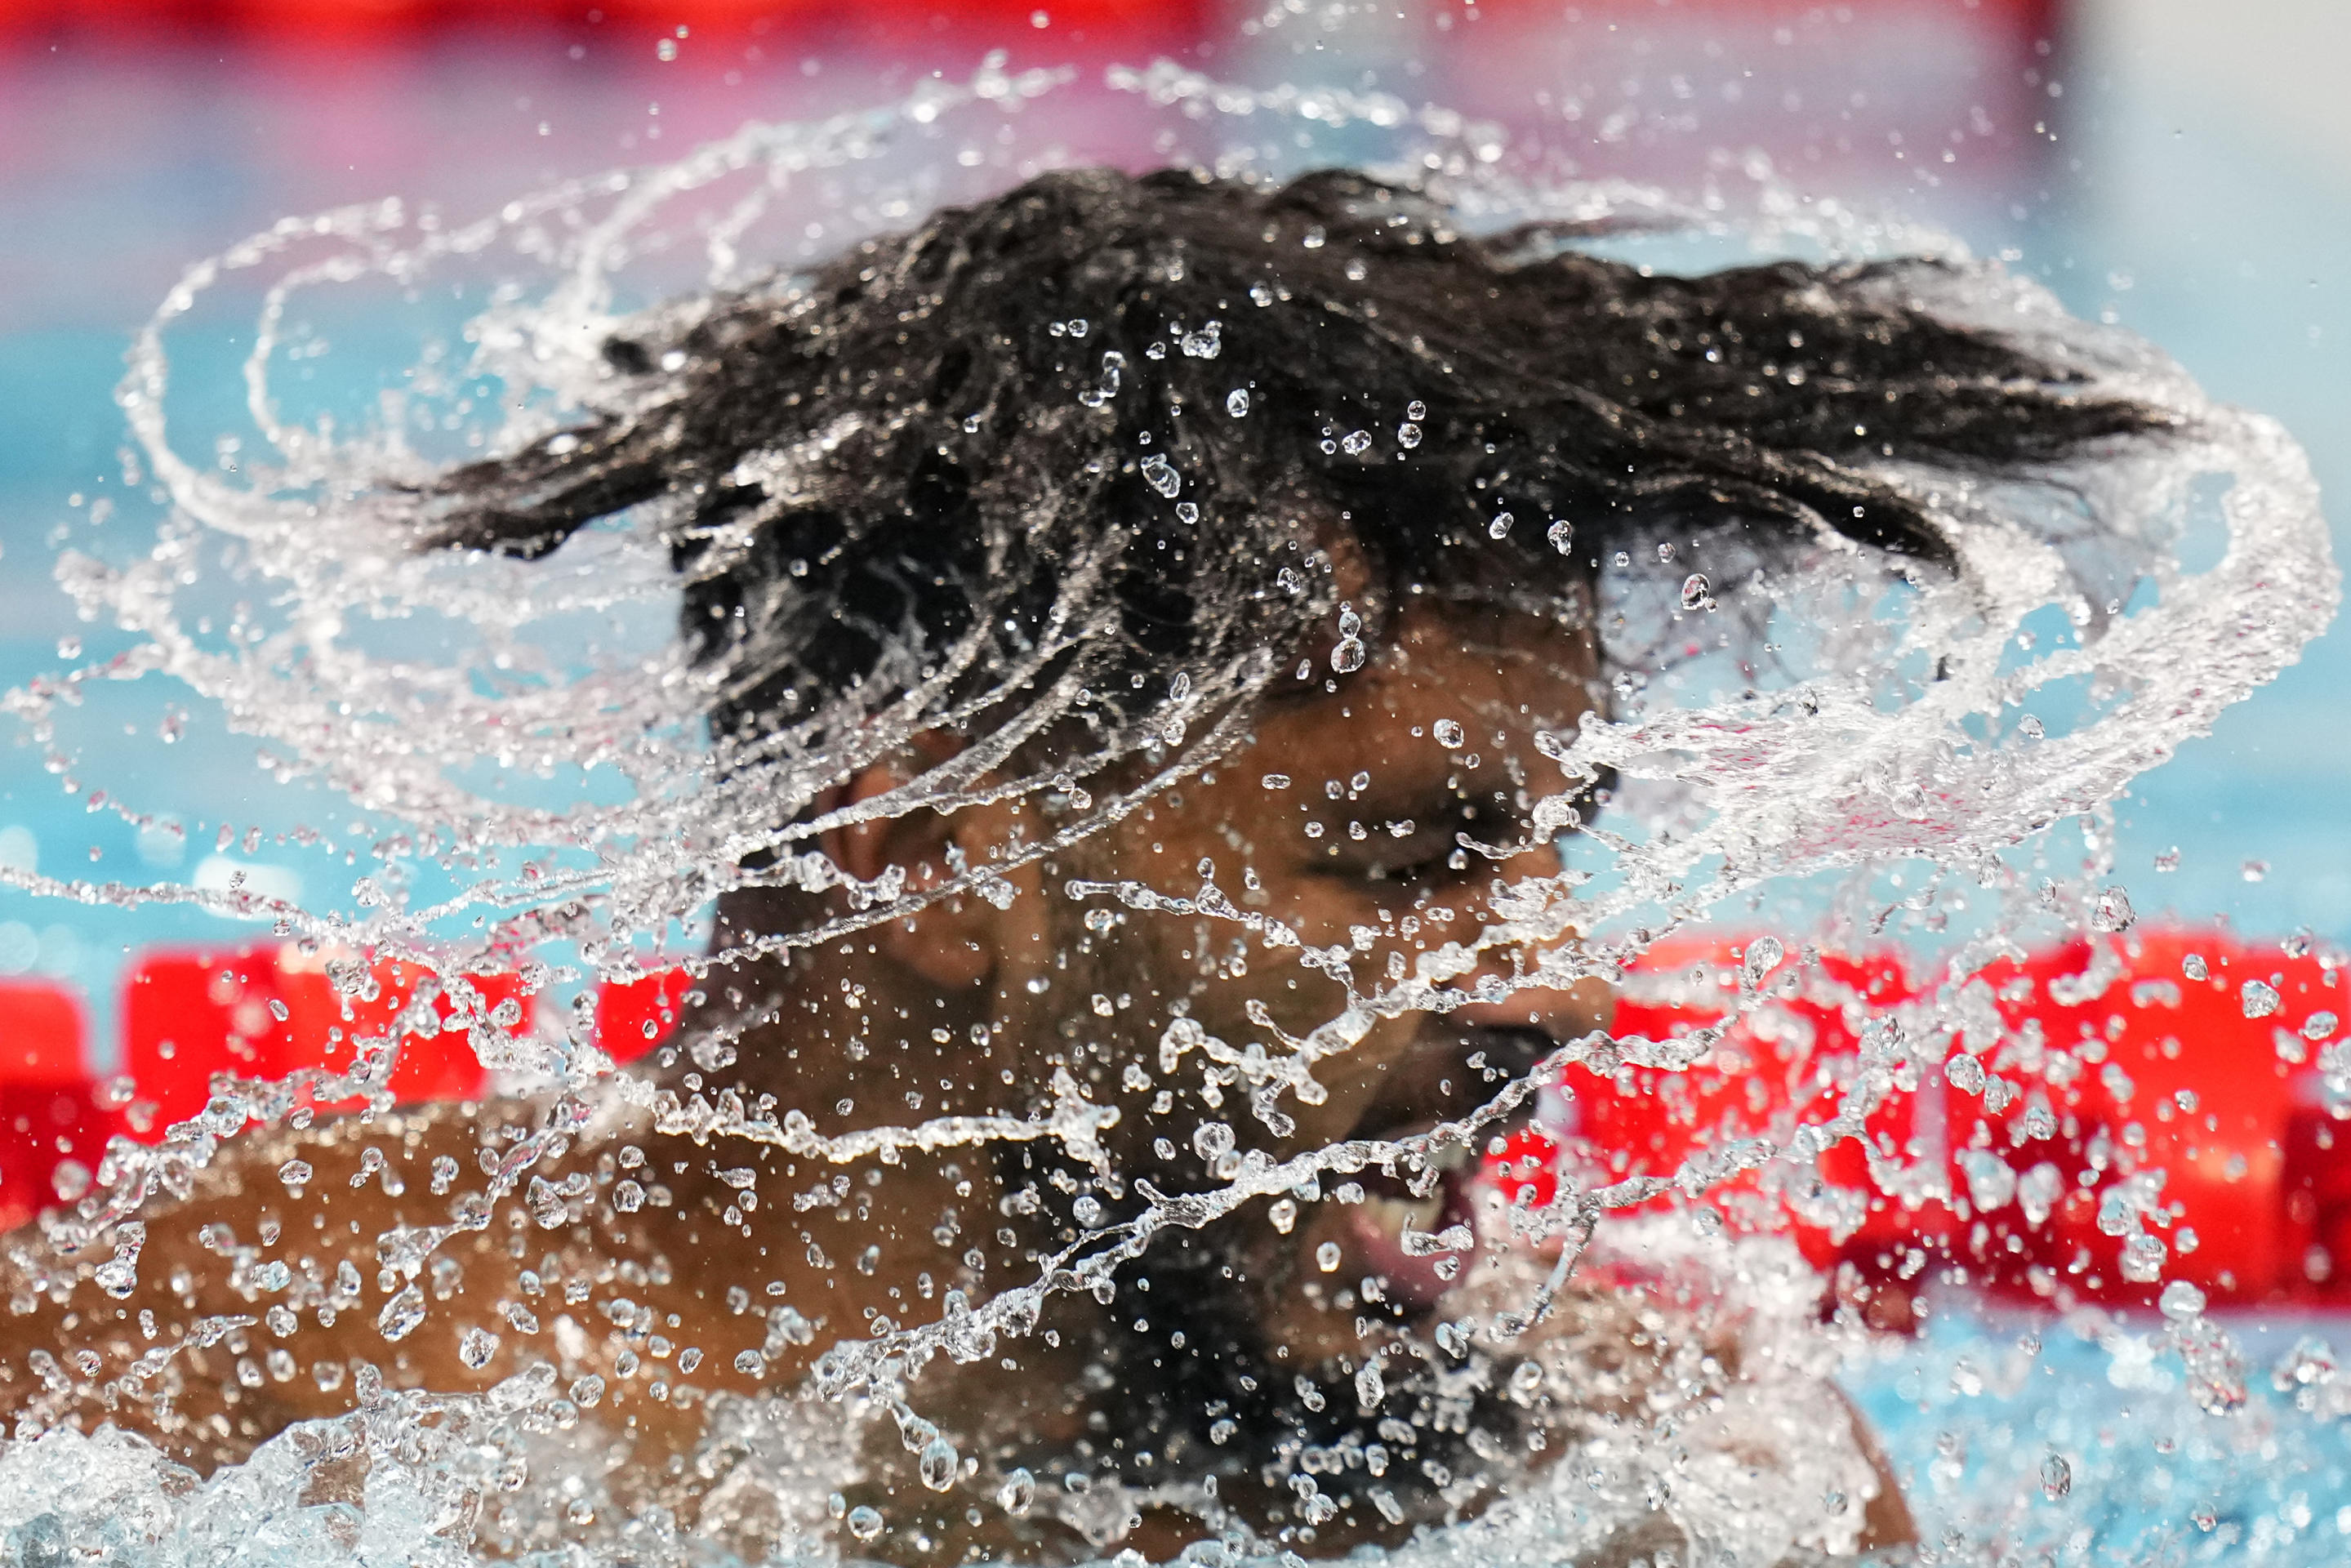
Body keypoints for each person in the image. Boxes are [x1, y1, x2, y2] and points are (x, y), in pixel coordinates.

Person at [0, 167, 2162, 1564]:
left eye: (1549, 849)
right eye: (1408, 855)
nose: (1564, 984)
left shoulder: (1655, 1489)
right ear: (944, 844)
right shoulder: (265, 1379)